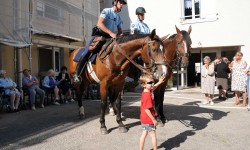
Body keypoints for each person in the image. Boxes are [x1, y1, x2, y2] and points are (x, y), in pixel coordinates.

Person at [73, 0, 127, 83]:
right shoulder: (106, 11)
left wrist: (121, 36)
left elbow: (120, 32)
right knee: (87, 52)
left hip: (110, 38)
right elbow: (99, 24)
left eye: (123, 3)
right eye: (121, 2)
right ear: (115, 2)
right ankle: (77, 75)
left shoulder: (119, 18)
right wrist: (111, 33)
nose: (122, 5)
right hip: (99, 36)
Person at [139, 74, 165, 150]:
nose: (152, 84)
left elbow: (153, 87)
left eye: (152, 82)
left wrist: (159, 82)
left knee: (144, 133)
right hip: (148, 119)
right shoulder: (147, 96)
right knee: (153, 135)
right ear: (143, 85)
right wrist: (153, 119)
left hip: (143, 118)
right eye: (150, 83)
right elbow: (147, 109)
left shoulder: (147, 91)